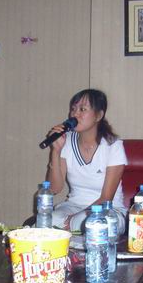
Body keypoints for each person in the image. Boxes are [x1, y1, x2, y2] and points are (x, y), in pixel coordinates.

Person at [45, 89, 127, 232]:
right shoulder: (67, 141)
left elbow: (106, 198)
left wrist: (77, 218)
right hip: (73, 206)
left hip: (107, 209)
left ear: (98, 115)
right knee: (47, 220)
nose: (75, 114)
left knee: (94, 224)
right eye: (73, 109)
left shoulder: (113, 146)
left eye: (82, 109)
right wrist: (56, 151)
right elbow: (54, 188)